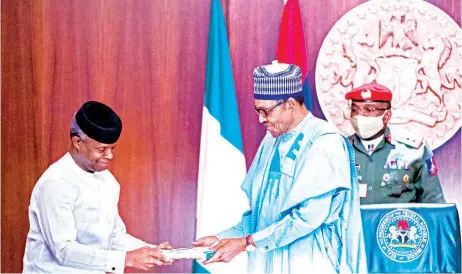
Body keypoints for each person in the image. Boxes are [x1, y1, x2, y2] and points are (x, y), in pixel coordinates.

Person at [193, 63, 367, 273]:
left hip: (308, 264)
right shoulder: (271, 139)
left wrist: (247, 242)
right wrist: (223, 238)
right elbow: (261, 215)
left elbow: (307, 218)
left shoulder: (325, 142)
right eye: (257, 110)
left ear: (290, 104)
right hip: (266, 263)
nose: (260, 119)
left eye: (265, 111)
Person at [23, 101, 174, 273]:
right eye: (102, 149)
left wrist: (150, 251)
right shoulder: (55, 182)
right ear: (77, 142)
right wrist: (127, 259)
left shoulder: (108, 181)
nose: (109, 156)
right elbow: (63, 251)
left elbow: (114, 236)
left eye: (112, 148)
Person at [344, 83, 445, 204]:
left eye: (368, 110)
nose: (359, 116)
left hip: (398, 222)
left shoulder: (415, 150)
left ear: (386, 116)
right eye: (355, 110)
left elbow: (434, 203)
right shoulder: (339, 150)